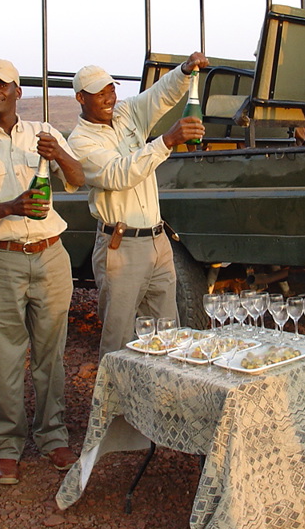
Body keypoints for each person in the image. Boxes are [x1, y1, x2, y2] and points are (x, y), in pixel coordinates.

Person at [0, 58, 86, 484]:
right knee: (4, 355)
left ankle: (53, 435)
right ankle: (7, 444)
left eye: (1, 85)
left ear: (16, 91)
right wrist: (11, 207)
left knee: (51, 352)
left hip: (50, 255)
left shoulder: (42, 134)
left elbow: (78, 179)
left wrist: (59, 152)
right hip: (2, 258)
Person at [67, 53, 208, 358]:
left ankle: (162, 401)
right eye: (99, 93)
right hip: (121, 247)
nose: (109, 98)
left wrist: (184, 71)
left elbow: (160, 95)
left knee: (168, 334)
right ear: (80, 98)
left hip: (157, 241)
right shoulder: (80, 142)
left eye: (111, 90)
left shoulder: (127, 113)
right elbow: (119, 173)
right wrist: (166, 142)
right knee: (119, 339)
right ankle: (114, 405)